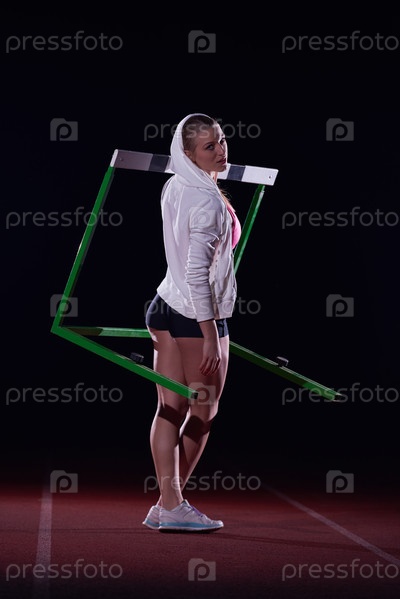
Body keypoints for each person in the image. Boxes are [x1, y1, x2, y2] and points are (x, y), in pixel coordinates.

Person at [143, 113, 241, 532]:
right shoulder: (208, 203)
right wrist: (209, 334)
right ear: (188, 153)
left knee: (170, 407)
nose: (221, 151)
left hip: (164, 305)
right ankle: (171, 504)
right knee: (204, 409)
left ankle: (167, 504)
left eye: (221, 140)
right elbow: (198, 273)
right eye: (209, 146)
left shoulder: (176, 184)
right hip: (194, 316)